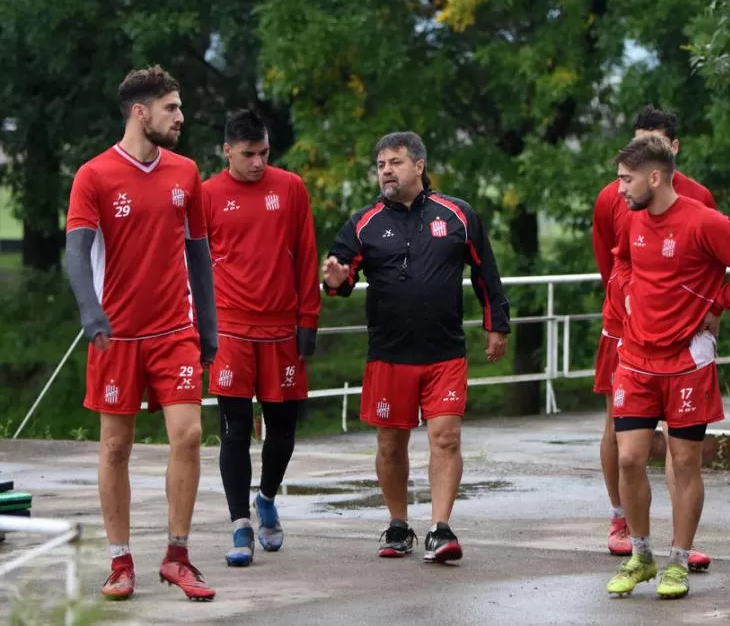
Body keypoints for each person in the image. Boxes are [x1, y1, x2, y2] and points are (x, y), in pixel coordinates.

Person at [64, 66, 218, 601]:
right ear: (141, 112)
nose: (181, 117)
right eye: (172, 108)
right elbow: (77, 253)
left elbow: (200, 255)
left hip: (176, 329)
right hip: (117, 336)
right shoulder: (95, 175)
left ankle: (177, 556)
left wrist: (211, 328)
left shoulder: (186, 172)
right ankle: (120, 561)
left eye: (179, 107)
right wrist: (90, 309)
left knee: (190, 435)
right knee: (115, 448)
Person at [321, 131, 510, 563]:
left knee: (445, 438)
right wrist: (334, 280)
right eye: (381, 164)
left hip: (445, 352)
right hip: (389, 354)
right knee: (391, 445)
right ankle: (398, 524)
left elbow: (487, 273)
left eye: (395, 162)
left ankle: (440, 530)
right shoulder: (363, 222)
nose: (386, 170)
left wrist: (496, 324)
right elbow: (342, 277)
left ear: (419, 167)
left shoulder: (457, 214)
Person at [606, 134, 730, 599]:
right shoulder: (632, 216)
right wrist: (624, 292)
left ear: (655, 177)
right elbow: (621, 261)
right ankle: (641, 555)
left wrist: (719, 303)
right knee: (628, 457)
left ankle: (678, 561)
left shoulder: (705, 222)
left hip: (687, 361)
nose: (619, 190)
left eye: (626, 180)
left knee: (684, 462)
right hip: (637, 357)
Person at [591, 105, 715, 571]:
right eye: (636, 140)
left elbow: (713, 257)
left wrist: (711, 306)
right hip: (624, 331)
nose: (641, 153)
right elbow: (611, 261)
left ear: (672, 151)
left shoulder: (699, 198)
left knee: (680, 442)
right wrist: (627, 301)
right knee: (621, 431)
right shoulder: (612, 197)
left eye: (653, 143)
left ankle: (678, 543)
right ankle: (621, 520)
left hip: (679, 338)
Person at [201, 109, 321, 567]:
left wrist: (308, 318)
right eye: (248, 154)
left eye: (264, 153)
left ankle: (267, 497)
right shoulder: (207, 194)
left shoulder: (289, 187)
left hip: (281, 327)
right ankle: (239, 526)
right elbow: (192, 265)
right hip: (229, 328)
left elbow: (306, 254)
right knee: (234, 432)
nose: (257, 162)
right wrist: (199, 329)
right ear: (227, 150)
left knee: (283, 433)